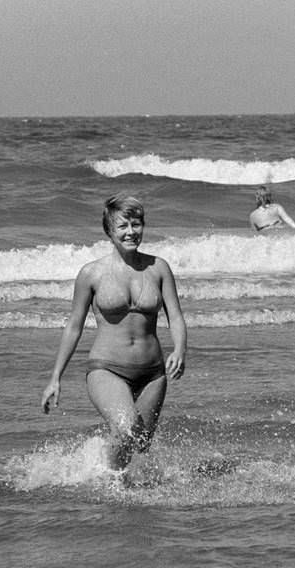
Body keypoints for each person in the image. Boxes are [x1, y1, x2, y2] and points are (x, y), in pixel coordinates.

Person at [41, 195, 187, 470]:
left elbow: (176, 317)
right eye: (123, 226)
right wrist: (55, 378)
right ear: (109, 231)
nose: (131, 232)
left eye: (136, 224)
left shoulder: (159, 268)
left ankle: (116, 486)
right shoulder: (91, 274)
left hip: (153, 374)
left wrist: (180, 349)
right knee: (127, 428)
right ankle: (110, 484)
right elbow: (74, 326)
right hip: (107, 369)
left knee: (140, 442)